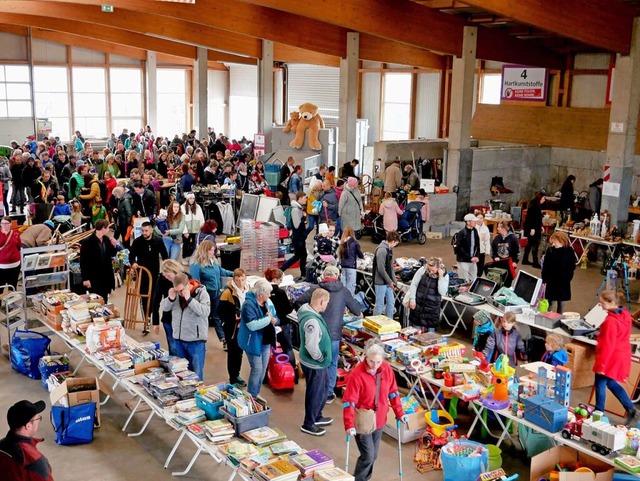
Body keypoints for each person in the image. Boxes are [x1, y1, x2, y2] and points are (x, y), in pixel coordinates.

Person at [294, 266, 362, 404]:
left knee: (316, 362)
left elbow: (298, 301)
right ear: (337, 276)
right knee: (331, 363)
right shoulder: (343, 291)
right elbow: (356, 309)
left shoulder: (316, 290)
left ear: (324, 275)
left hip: (315, 332)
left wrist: (307, 315)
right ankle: (328, 393)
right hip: (334, 334)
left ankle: (315, 391)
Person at [343, 341, 406, 481]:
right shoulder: (357, 374)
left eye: (378, 362)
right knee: (368, 456)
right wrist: (349, 424)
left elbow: (393, 392)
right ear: (365, 356)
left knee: (374, 456)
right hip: (363, 421)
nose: (375, 365)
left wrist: (399, 413)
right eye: (371, 361)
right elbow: (349, 402)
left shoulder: (387, 369)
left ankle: (364, 478)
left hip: (379, 419)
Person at [593, 289, 636, 424]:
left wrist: (602, 365)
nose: (600, 306)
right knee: (611, 382)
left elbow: (608, 345)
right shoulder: (626, 315)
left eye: (602, 303)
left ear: (611, 303)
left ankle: (598, 413)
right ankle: (631, 409)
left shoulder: (610, 321)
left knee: (600, 383)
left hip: (610, 357)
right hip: (622, 354)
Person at [161, 272, 211, 381]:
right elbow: (164, 308)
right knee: (181, 372)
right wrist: (170, 298)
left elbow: (205, 311)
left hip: (196, 341)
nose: (180, 293)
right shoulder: (176, 294)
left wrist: (190, 299)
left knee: (196, 373)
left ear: (188, 284)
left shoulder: (201, 292)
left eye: (181, 290)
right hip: (179, 340)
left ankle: (196, 395)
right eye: (177, 291)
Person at [298, 288, 332, 436]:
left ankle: (317, 416)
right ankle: (309, 423)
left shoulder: (309, 313)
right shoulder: (312, 321)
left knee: (323, 389)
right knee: (315, 393)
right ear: (321, 301)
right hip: (314, 364)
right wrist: (320, 358)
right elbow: (311, 345)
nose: (327, 306)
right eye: (327, 303)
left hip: (319, 364)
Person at [189, 240, 234, 349]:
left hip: (216, 294)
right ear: (205, 251)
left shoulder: (213, 261)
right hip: (205, 295)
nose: (213, 253)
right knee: (202, 318)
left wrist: (234, 273)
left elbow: (221, 271)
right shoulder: (196, 265)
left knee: (217, 316)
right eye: (211, 250)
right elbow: (195, 282)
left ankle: (223, 339)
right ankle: (199, 340)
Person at [237, 278, 277, 398]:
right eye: (268, 293)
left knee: (263, 369)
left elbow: (274, 315)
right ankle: (252, 396)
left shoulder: (268, 302)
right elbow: (252, 325)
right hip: (253, 342)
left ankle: (256, 392)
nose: (270, 295)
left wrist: (274, 320)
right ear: (260, 295)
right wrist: (268, 319)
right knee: (257, 369)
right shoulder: (248, 305)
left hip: (266, 342)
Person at [0, 399, 53, 481]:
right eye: (38, 418)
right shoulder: (36, 462)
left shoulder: (2, 447)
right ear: (28, 426)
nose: (39, 421)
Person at [130, 221, 169, 330]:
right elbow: (132, 255)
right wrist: (133, 263)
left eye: (146, 230)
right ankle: (146, 320)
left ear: (151, 230)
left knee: (153, 297)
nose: (144, 233)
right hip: (142, 273)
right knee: (144, 297)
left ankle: (150, 314)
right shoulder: (137, 242)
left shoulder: (158, 241)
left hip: (155, 273)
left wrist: (167, 269)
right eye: (142, 231)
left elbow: (165, 255)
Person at [265, 268, 298, 383]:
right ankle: (294, 374)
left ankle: (265, 376)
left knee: (266, 350)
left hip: (267, 325)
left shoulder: (264, 292)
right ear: (275, 279)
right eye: (280, 279)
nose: (281, 281)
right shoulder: (281, 292)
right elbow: (288, 310)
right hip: (283, 324)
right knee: (288, 347)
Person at [219, 268, 248, 386]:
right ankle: (232, 378)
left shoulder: (248, 290)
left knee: (239, 352)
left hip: (244, 327)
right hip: (232, 329)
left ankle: (237, 374)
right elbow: (220, 312)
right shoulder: (227, 293)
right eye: (237, 280)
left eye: (242, 279)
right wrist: (233, 317)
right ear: (233, 279)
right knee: (232, 353)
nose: (240, 282)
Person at [152, 259, 185, 355]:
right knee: (173, 347)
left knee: (183, 348)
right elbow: (156, 300)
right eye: (164, 275)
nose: (166, 278)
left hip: (183, 320)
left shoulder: (186, 278)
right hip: (168, 318)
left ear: (175, 271)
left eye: (168, 275)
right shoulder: (162, 279)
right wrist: (155, 322)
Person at [408, 257, 449, 332]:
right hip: (419, 305)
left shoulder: (444, 275)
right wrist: (412, 299)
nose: (430, 272)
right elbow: (414, 284)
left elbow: (442, 292)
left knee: (430, 334)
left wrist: (441, 277)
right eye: (429, 269)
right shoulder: (422, 270)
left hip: (432, 308)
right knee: (416, 331)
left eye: (433, 270)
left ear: (438, 268)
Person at [80, 219, 117, 301]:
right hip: (94, 277)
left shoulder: (106, 239)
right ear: (103, 228)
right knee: (95, 301)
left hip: (106, 277)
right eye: (107, 228)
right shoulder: (87, 242)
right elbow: (83, 262)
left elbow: (112, 254)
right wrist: (85, 279)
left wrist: (114, 245)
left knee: (104, 300)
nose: (108, 230)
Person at [541, 231, 575, 314]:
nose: (553, 244)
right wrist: (544, 279)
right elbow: (545, 266)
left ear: (560, 240)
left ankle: (559, 318)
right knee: (550, 302)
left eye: (554, 242)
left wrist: (568, 278)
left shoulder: (569, 251)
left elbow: (572, 266)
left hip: (563, 281)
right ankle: (547, 317)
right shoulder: (550, 251)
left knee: (562, 302)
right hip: (551, 280)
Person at [373, 231, 401, 319]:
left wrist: (394, 282)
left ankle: (389, 322)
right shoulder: (381, 250)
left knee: (391, 302)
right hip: (380, 282)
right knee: (379, 304)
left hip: (387, 282)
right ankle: (375, 322)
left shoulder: (389, 250)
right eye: (396, 243)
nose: (396, 245)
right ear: (392, 241)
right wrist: (390, 282)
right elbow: (381, 269)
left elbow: (391, 267)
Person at [280, 192, 307, 280]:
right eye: (305, 198)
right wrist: (303, 218)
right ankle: (281, 269)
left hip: (300, 237)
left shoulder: (299, 209)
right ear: (300, 198)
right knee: (297, 256)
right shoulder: (296, 210)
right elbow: (296, 225)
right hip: (298, 237)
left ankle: (303, 274)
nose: (306, 200)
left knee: (302, 256)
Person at [487, 221, 520, 287]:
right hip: (498, 264)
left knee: (507, 283)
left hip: (509, 265)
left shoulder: (513, 238)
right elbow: (492, 250)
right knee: (497, 282)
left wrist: (515, 262)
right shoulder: (497, 238)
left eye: (499, 227)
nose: (497, 229)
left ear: (504, 228)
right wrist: (494, 257)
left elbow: (518, 252)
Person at [339, 226, 364, 295]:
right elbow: (360, 255)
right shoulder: (354, 242)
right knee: (350, 288)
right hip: (351, 266)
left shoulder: (342, 243)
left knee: (343, 286)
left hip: (343, 266)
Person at [522, 193, 545, 268]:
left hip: (535, 228)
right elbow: (531, 218)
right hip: (533, 229)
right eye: (543, 198)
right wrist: (532, 228)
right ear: (539, 199)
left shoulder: (535, 206)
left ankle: (525, 259)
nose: (544, 200)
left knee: (530, 244)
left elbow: (537, 218)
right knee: (535, 245)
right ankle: (535, 262)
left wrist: (541, 226)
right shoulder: (534, 207)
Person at [181, 192, 205, 262]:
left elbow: (201, 218)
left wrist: (202, 227)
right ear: (187, 199)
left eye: (193, 198)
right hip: (187, 230)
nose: (192, 200)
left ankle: (194, 258)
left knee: (195, 244)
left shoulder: (198, 207)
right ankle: (185, 258)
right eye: (190, 198)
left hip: (196, 229)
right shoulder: (182, 207)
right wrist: (185, 231)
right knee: (186, 244)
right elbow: (182, 220)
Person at [0, 216, 21, 288]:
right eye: (2, 223)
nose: (4, 225)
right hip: (1, 265)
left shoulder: (16, 234)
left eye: (6, 223)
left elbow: (19, 247)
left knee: (12, 287)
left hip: (14, 265)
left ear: (11, 224)